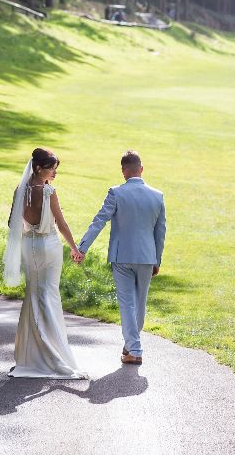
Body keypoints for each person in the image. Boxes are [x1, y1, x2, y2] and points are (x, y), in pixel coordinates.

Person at [3, 147, 88, 379]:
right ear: (39, 168)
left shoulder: (20, 189)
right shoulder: (49, 191)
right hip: (48, 246)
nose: (55, 173)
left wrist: (28, 228)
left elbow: (12, 222)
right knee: (49, 295)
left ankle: (29, 356)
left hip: (28, 245)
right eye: (52, 169)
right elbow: (61, 224)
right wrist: (75, 248)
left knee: (33, 294)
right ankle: (54, 354)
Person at [76, 149, 166, 365]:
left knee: (127, 304)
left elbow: (99, 221)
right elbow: (160, 231)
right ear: (141, 169)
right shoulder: (157, 195)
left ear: (123, 171)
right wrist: (157, 260)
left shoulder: (116, 193)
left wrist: (82, 247)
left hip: (122, 256)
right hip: (147, 257)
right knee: (140, 303)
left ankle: (134, 349)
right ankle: (131, 344)